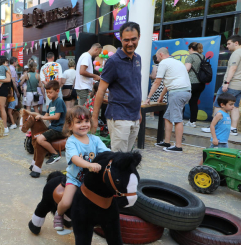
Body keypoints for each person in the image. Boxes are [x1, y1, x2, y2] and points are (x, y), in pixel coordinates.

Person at [53, 105, 109, 230]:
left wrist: (116, 158)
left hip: (91, 179)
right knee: (67, 202)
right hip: (75, 179)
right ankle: (59, 214)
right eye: (79, 122)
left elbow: (106, 153)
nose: (84, 125)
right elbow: (74, 159)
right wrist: (89, 164)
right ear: (70, 125)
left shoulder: (95, 139)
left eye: (86, 121)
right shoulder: (71, 142)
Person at [92, 22, 142, 152]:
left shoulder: (138, 59)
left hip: (134, 116)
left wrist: (139, 111)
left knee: (127, 158)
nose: (130, 43)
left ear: (139, 37)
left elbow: (136, 86)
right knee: (119, 159)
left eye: (133, 39)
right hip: (119, 116)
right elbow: (101, 91)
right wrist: (94, 118)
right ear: (120, 39)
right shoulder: (113, 61)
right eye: (126, 40)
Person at [146, 47, 191, 153]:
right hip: (183, 92)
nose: (157, 59)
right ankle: (167, 142)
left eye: (157, 57)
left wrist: (148, 98)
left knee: (177, 119)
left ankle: (178, 146)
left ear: (161, 54)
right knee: (167, 117)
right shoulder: (176, 62)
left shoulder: (164, 63)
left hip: (177, 93)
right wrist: (161, 96)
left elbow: (157, 82)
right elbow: (169, 82)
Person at [202, 35, 241, 136]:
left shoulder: (236, 53)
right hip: (239, 86)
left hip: (232, 84)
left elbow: (233, 68)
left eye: (229, 43)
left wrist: (226, 83)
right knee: (235, 106)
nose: (227, 46)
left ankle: (214, 126)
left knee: (219, 104)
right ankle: (233, 128)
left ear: (236, 43)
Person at [34, 80, 67, 166]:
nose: (48, 94)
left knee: (40, 139)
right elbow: (46, 115)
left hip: (59, 129)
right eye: (47, 92)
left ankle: (55, 154)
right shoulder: (52, 103)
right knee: (37, 135)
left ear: (57, 91)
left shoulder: (59, 101)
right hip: (53, 127)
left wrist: (42, 117)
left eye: (50, 92)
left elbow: (56, 117)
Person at [184, 42, 206, 128]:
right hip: (201, 83)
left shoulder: (190, 57)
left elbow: (186, 69)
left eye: (188, 49)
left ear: (191, 49)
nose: (188, 51)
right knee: (194, 102)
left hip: (191, 82)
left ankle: (178, 120)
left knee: (182, 101)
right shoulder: (202, 56)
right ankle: (192, 122)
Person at [0, 56, 14, 135]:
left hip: (3, 88)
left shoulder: (6, 68)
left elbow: (9, 79)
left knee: (2, 108)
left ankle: (5, 127)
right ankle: (4, 127)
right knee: (1, 108)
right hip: (1, 88)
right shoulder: (0, 68)